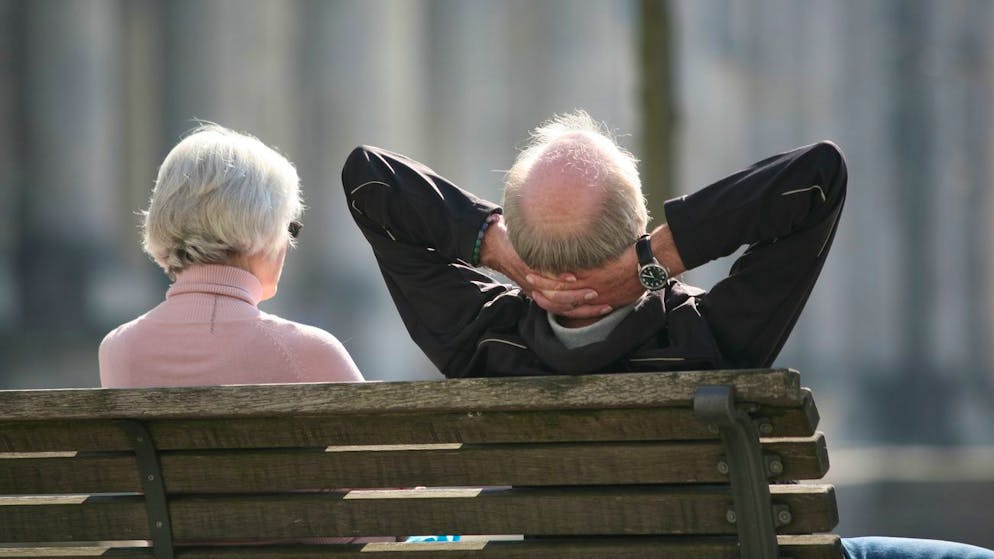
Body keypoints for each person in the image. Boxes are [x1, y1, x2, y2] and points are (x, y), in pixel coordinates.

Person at [342, 111, 994, 558]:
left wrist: (494, 246)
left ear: (522, 243)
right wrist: (655, 264)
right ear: (640, 222)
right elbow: (817, 178)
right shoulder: (705, 335)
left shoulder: (480, 340)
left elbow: (369, 180)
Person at [100, 124, 363, 388]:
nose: (288, 244)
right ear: (264, 225)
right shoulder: (309, 351)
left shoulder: (118, 348)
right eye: (289, 228)